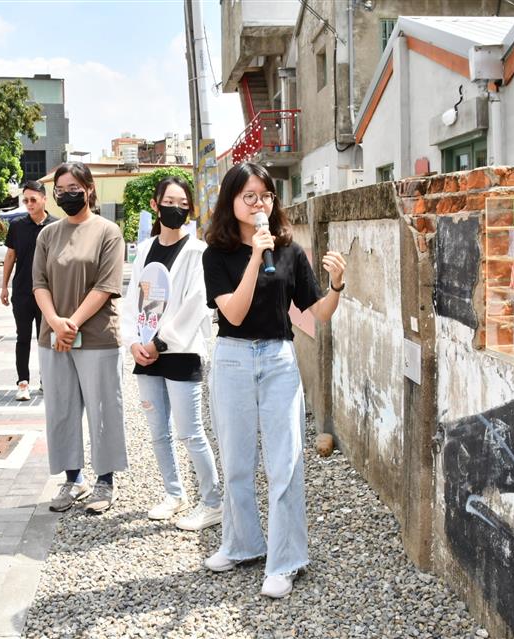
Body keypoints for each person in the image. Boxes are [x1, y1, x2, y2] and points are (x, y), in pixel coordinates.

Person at [201, 162, 347, 599]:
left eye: (265, 196)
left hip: (279, 359)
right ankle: (242, 545)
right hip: (232, 358)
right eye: (249, 196)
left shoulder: (290, 252)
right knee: (236, 462)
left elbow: (318, 313)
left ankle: (285, 561)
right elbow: (233, 313)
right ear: (231, 201)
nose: (259, 204)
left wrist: (337, 285)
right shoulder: (216, 255)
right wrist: (253, 258)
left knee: (285, 462)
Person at [121, 177, 222, 531]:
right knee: (157, 431)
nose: (175, 209)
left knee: (190, 432)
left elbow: (197, 303)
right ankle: (174, 494)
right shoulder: (145, 249)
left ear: (190, 209)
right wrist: (133, 341)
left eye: (183, 204)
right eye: (169, 202)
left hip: (180, 351)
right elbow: (133, 299)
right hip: (145, 352)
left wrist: (159, 343)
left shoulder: (198, 252)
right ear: (155, 205)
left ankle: (212, 502)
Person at [33, 162, 127, 514]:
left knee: (103, 409)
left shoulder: (108, 232)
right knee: (61, 408)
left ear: (89, 189)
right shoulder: (48, 235)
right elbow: (39, 283)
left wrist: (70, 324)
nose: (67, 195)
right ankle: (73, 479)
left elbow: (106, 285)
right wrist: (55, 323)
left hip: (97, 336)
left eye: (74, 188)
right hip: (53, 336)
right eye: (61, 190)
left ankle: (105, 480)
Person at [1, 180, 55, 400]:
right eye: (26, 200)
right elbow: (10, 256)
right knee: (22, 337)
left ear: (44, 199)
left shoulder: (56, 226)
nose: (29, 204)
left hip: (49, 293)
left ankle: (47, 380)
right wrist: (4, 286)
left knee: (46, 339)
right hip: (22, 291)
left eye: (33, 199)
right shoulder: (17, 225)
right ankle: (22, 382)